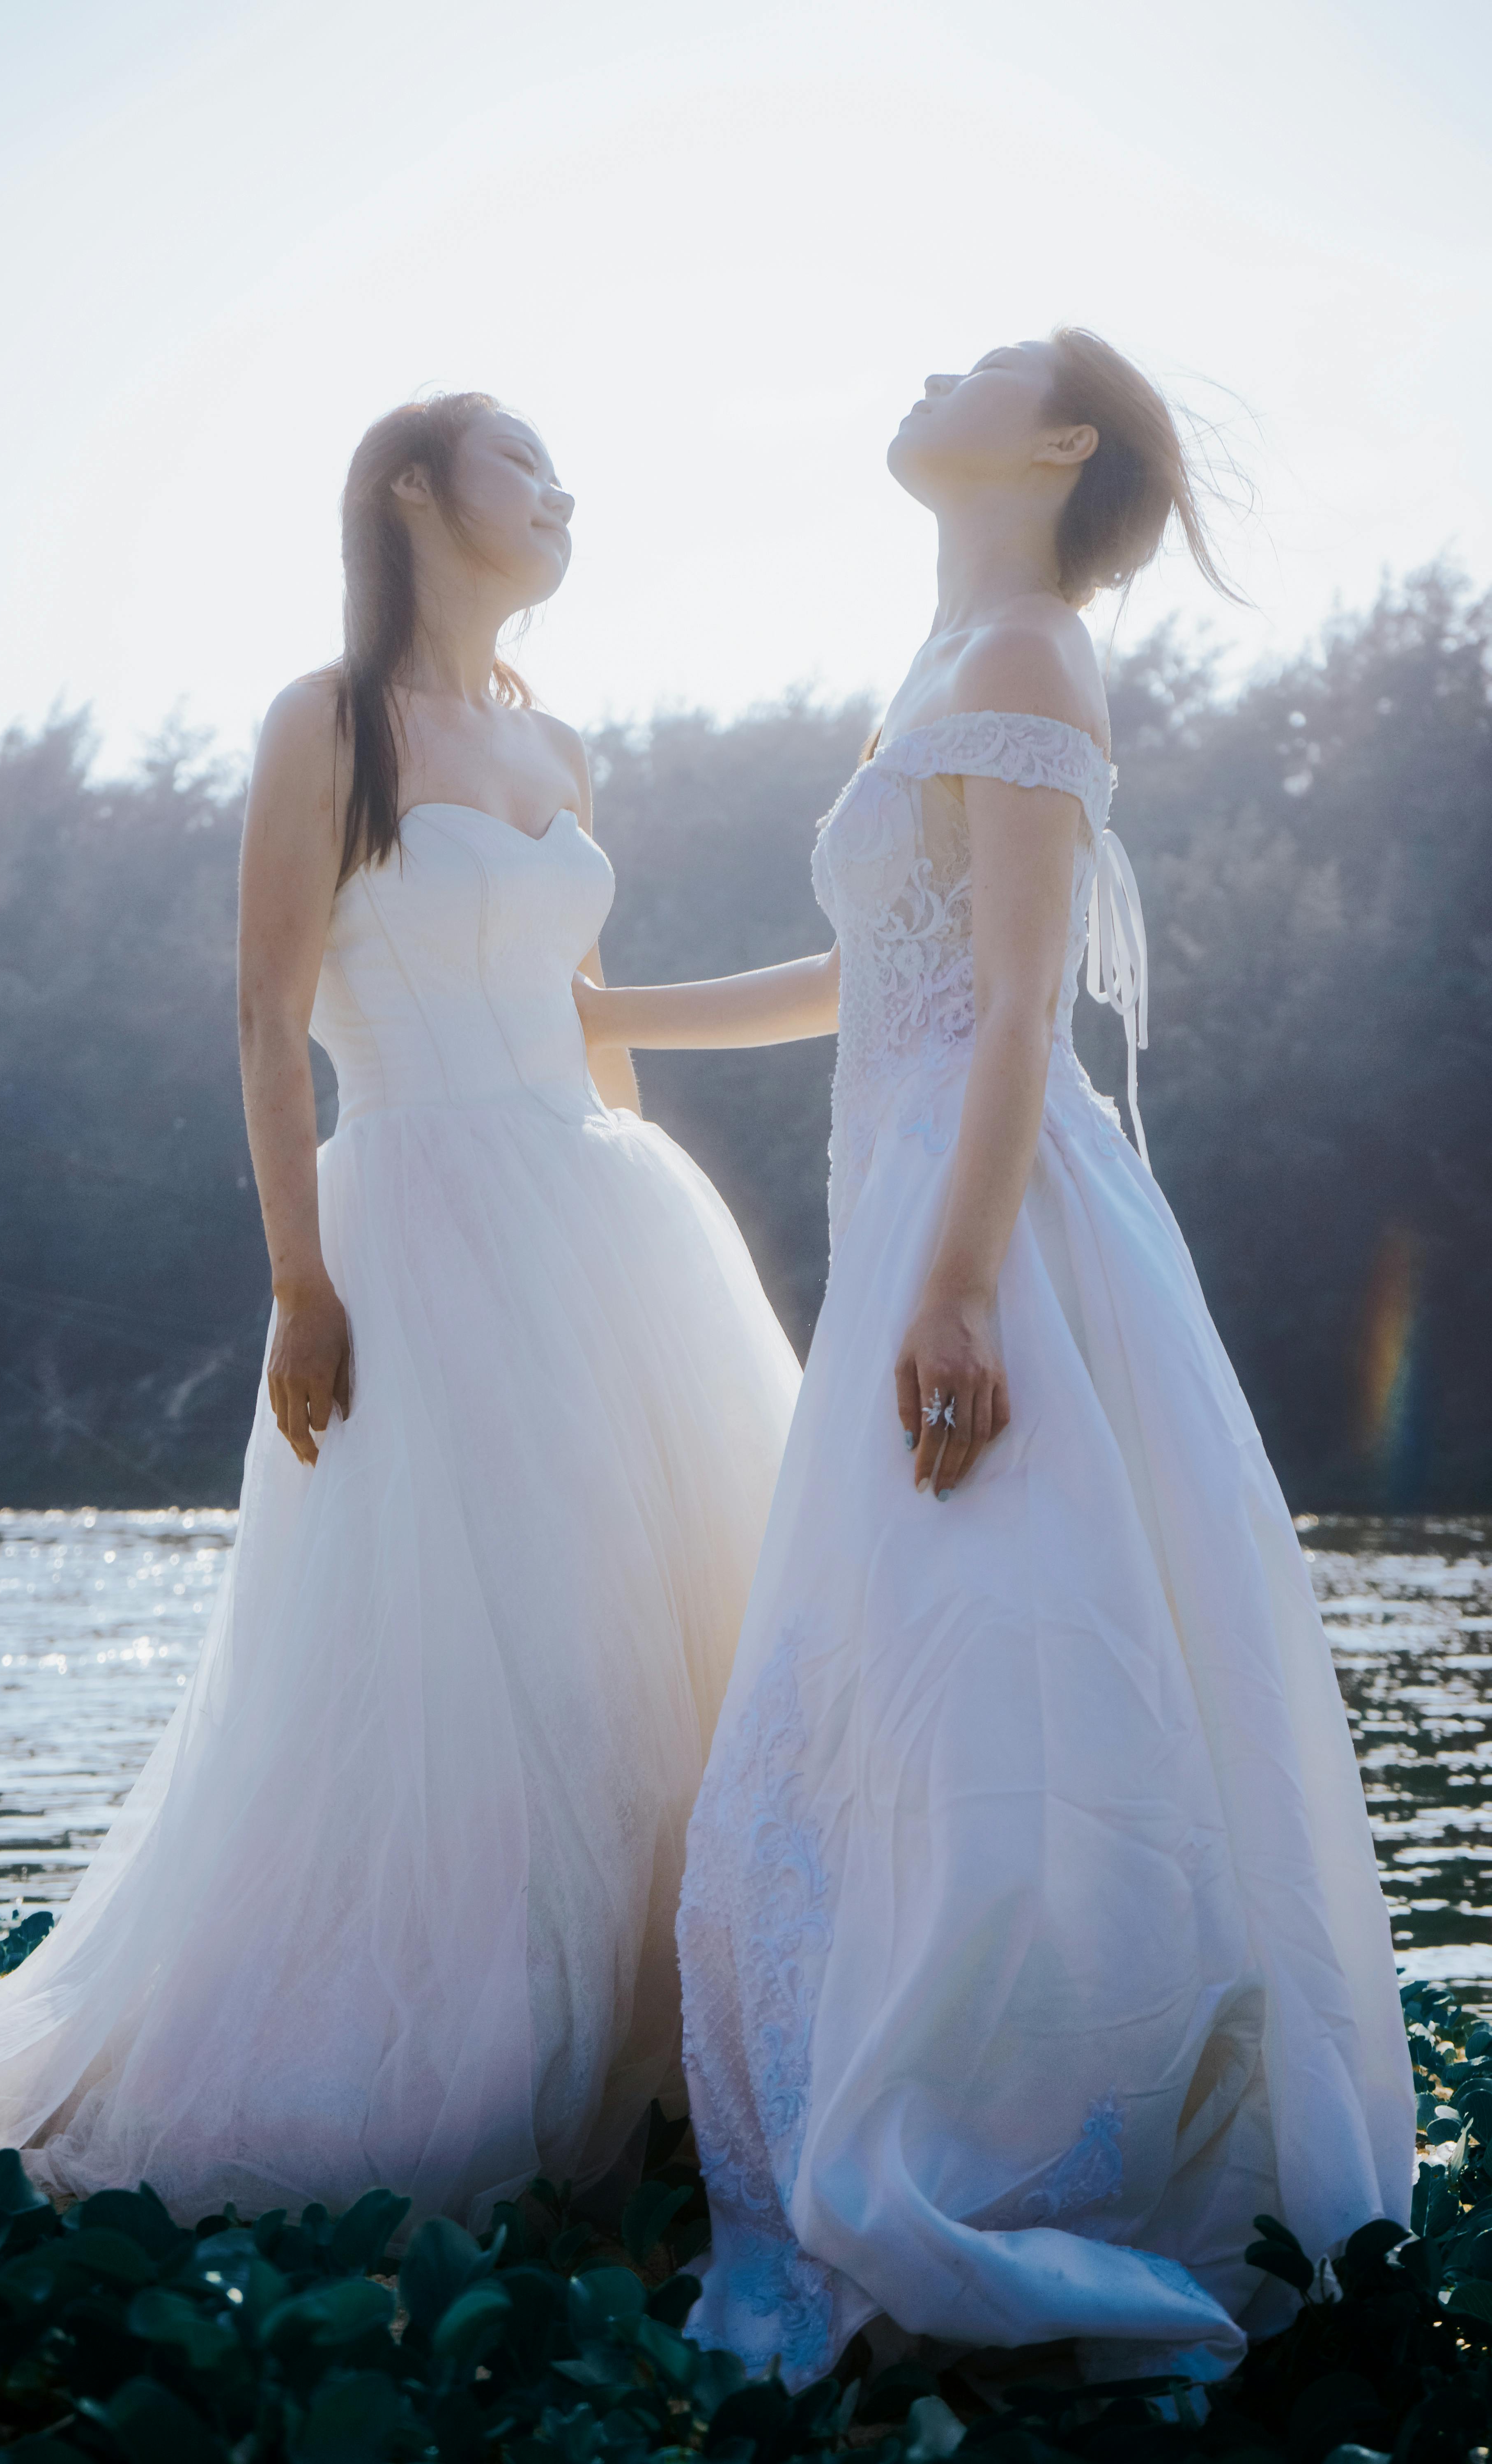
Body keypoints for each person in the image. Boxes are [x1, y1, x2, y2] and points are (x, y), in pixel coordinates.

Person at [0, 393, 800, 2227]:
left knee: (647, 1637)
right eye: (526, 461)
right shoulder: (329, 721)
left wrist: (656, 1241)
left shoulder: (564, 748)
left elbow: (586, 1019)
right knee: (459, 1652)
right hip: (414, 1216)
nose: (562, 492)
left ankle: (657, 2050)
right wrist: (300, 1278)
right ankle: (447, 2059)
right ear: (417, 494)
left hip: (601, 1225)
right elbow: (266, 1013)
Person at [575, 331, 1414, 2385]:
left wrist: (953, 1288)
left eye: (978, 361)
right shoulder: (945, 663)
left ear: (1051, 445)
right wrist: (612, 1030)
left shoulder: (1031, 649)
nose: (924, 365)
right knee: (929, 1664)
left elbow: (1018, 1008)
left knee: (1009, 1646)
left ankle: (1017, 2147)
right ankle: (945, 2087)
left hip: (1000, 1225)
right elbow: (879, 972)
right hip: (923, 1213)